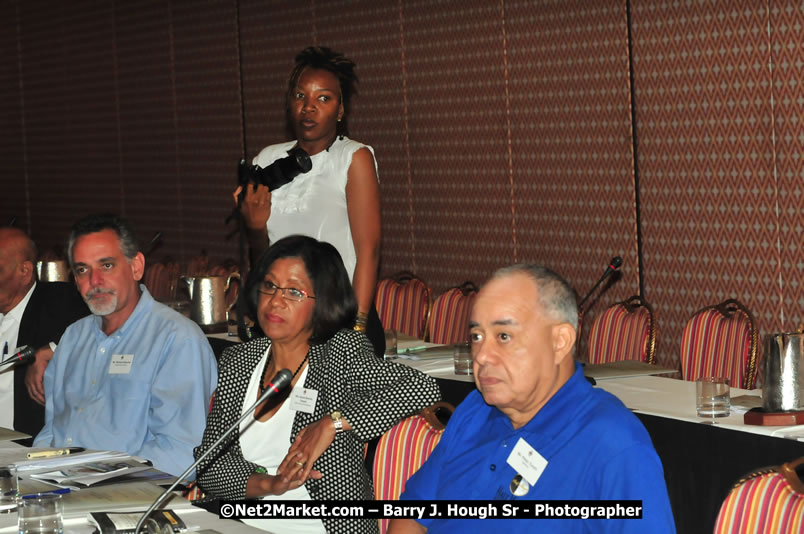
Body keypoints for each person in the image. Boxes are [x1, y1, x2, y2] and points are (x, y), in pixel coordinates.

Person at [389, 265, 675, 534]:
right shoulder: (476, 409)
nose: (483, 355)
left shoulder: (612, 443)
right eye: (476, 336)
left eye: (503, 336)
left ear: (559, 341)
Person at [194, 235, 440, 534]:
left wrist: (332, 424)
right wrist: (268, 484)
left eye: (294, 292)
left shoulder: (339, 354)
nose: (275, 300)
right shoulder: (240, 360)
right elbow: (210, 464)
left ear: (323, 302)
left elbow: (421, 387)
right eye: (270, 286)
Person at [33, 214, 218, 477]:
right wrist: (35, 474)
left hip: (131, 495)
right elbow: (53, 432)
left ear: (136, 267)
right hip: (62, 485)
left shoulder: (176, 339)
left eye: (106, 266)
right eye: (82, 269)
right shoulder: (74, 337)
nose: (94, 281)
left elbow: (182, 454)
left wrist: (97, 477)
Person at [234, 46, 384, 356]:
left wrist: (356, 331)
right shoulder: (268, 159)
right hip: (281, 319)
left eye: (323, 98)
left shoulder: (353, 158)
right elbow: (263, 258)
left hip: (338, 319)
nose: (309, 107)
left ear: (341, 110)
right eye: (300, 96)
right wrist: (254, 227)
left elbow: (368, 251)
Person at [0, 227, 88, 443]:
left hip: (29, 450)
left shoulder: (63, 304)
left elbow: (110, 324)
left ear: (25, 271)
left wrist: (53, 349)